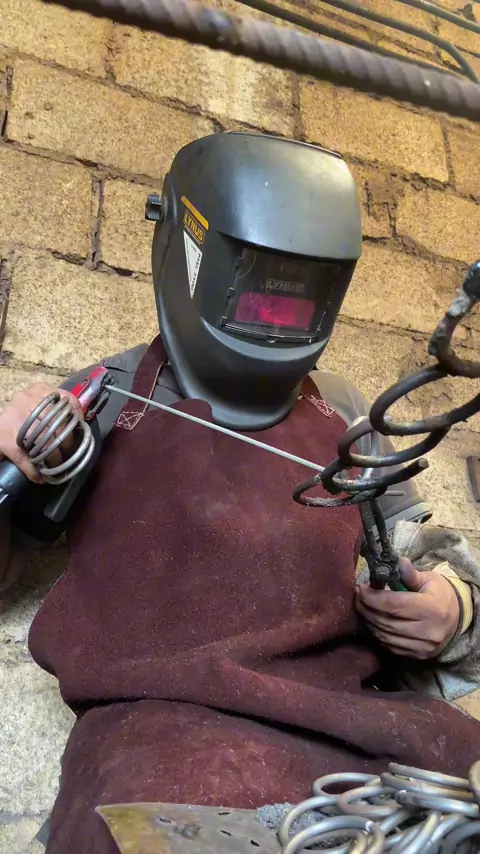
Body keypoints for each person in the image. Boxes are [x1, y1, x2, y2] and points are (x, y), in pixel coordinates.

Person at [0, 132, 479, 854]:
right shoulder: (104, 398)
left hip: (359, 721)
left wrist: (452, 610)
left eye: (301, 291)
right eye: (259, 283)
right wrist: (10, 460)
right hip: (159, 730)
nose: (276, 308)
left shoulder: (344, 412)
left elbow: (415, 552)